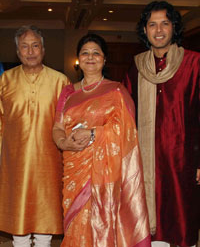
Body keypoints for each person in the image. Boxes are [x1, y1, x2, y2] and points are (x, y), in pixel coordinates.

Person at [52, 33, 151, 247]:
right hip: (73, 168)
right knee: (75, 221)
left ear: (104, 59)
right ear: (78, 59)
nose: (90, 57)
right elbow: (58, 126)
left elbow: (127, 131)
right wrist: (63, 142)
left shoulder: (117, 90)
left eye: (96, 53)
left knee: (101, 220)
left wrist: (94, 134)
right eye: (85, 53)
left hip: (106, 172)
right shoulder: (68, 92)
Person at [123, 1, 200, 247]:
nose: (158, 30)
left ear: (174, 27)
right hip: (145, 166)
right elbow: (124, 118)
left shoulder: (194, 63)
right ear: (144, 30)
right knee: (148, 229)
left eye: (164, 23)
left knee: (181, 226)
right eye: (152, 24)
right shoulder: (136, 68)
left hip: (183, 164)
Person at [0, 25, 70, 247]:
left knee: (45, 217)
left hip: (49, 162)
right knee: (18, 219)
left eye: (35, 46)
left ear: (43, 49)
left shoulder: (61, 81)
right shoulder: (5, 81)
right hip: (14, 164)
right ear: (18, 52)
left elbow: (68, 123)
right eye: (25, 47)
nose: (30, 51)